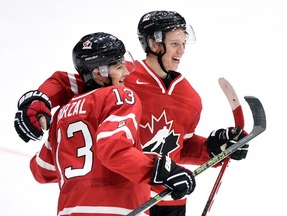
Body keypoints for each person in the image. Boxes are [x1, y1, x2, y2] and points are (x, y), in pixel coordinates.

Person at [14, 11, 248, 216]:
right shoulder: (121, 80)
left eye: (184, 43)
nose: (182, 51)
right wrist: (38, 99)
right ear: (155, 44)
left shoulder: (191, 98)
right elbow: (67, 83)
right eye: (175, 44)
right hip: (127, 192)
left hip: (169, 194)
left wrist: (212, 148)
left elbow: (179, 146)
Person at [15, 32, 196, 216]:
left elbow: (42, 170)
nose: (126, 72)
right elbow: (113, 149)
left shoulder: (63, 112)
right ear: (98, 73)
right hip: (119, 210)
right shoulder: (120, 95)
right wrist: (158, 170)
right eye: (119, 67)